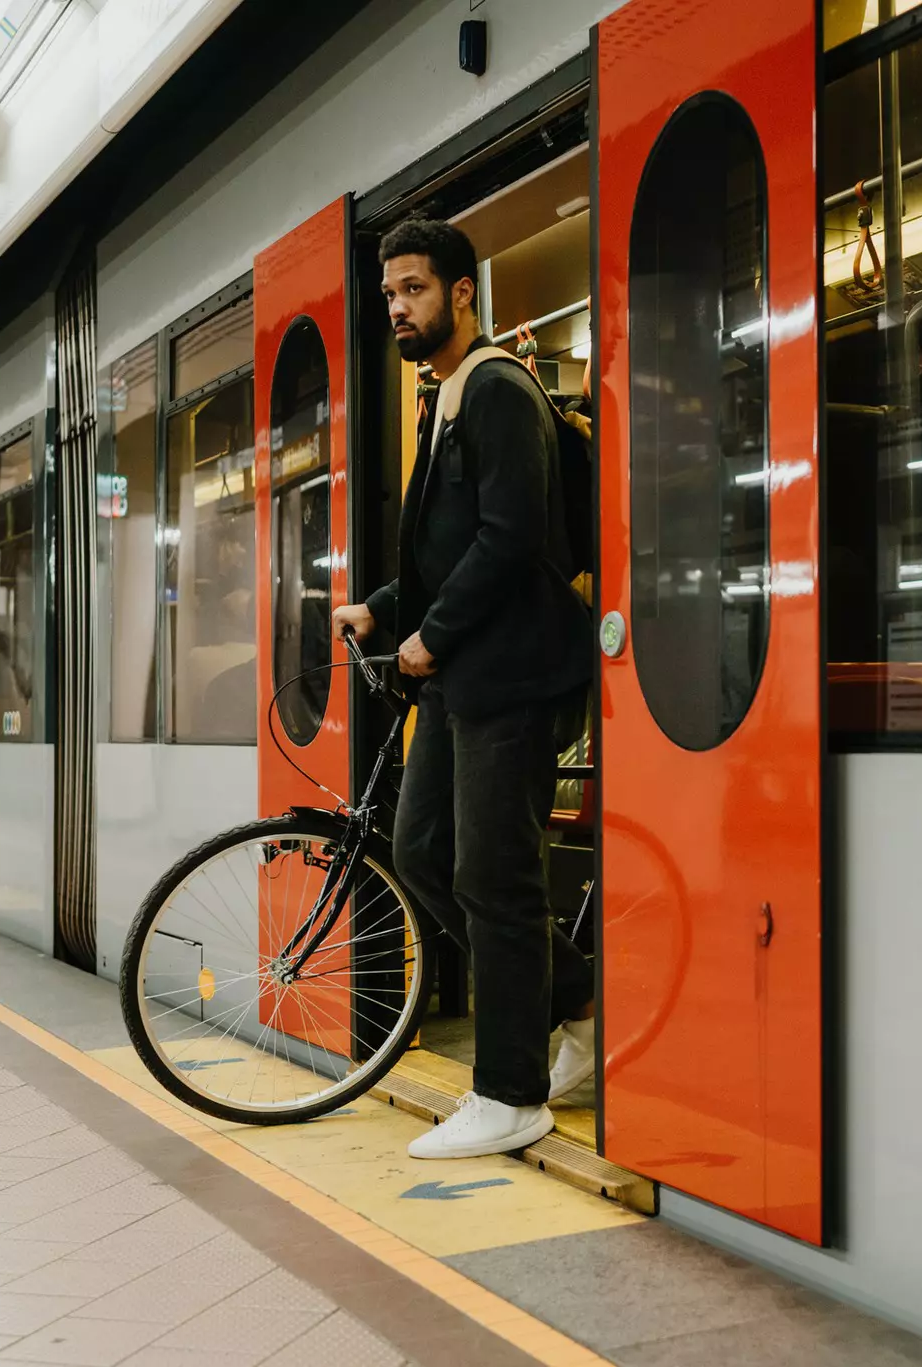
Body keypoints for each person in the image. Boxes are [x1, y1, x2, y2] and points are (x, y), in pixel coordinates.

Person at [332, 219, 598, 1160]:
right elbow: (451, 550)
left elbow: (513, 537)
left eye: (413, 289)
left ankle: (512, 1092)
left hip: (511, 673)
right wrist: (385, 606)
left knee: (496, 871)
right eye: (389, 294)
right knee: (427, 850)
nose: (397, 308)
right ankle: (581, 1006)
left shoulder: (493, 391)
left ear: (463, 293)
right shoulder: (439, 400)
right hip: (461, 670)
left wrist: (427, 639)